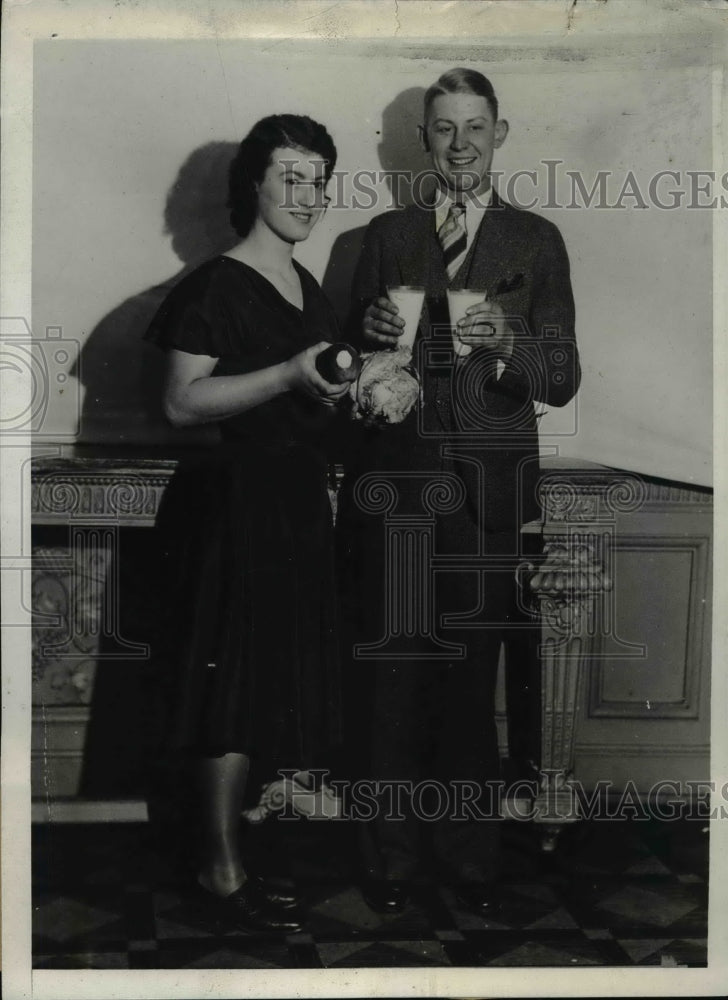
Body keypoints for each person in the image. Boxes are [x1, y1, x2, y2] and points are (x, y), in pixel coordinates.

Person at [336, 68, 581, 915]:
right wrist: (360, 339)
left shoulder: (536, 239)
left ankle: (470, 864)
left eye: (476, 127)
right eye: (444, 128)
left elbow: (564, 379)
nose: (461, 144)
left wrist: (511, 340)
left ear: (500, 135)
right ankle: (390, 864)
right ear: (424, 141)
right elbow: (341, 368)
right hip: (395, 492)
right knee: (392, 683)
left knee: (471, 690)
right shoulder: (384, 234)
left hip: (487, 500)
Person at [145, 114, 351, 932]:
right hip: (234, 505)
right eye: (291, 178)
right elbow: (180, 402)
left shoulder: (310, 287)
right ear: (254, 187)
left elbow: (311, 392)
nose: (308, 195)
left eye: (318, 180)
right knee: (230, 682)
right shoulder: (212, 285)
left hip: (299, 501)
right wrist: (290, 374)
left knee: (270, 678)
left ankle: (240, 846)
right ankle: (220, 865)